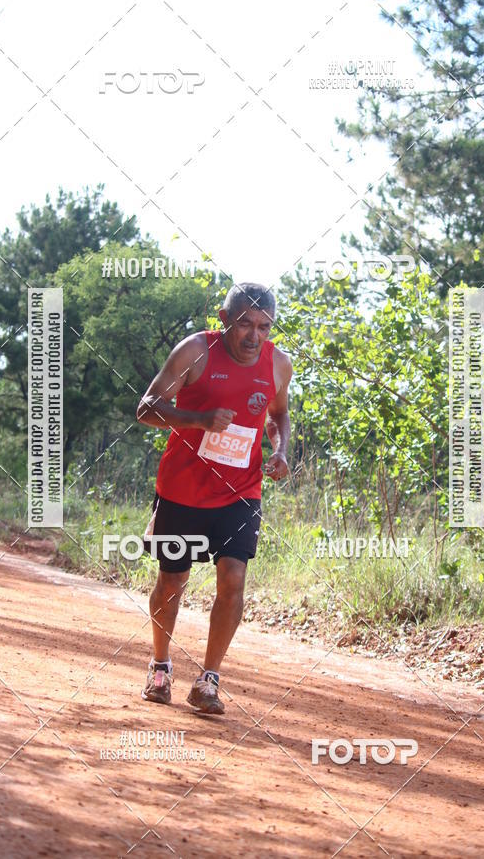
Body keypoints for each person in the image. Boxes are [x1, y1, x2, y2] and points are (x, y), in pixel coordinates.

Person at [136, 282, 292, 714]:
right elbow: (146, 407)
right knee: (173, 581)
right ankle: (160, 665)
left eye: (264, 326)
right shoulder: (194, 352)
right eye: (244, 324)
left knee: (234, 579)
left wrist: (279, 451)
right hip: (182, 491)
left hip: (240, 493)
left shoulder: (278, 363)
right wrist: (198, 419)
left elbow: (278, 414)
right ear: (225, 320)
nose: (254, 336)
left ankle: (208, 680)